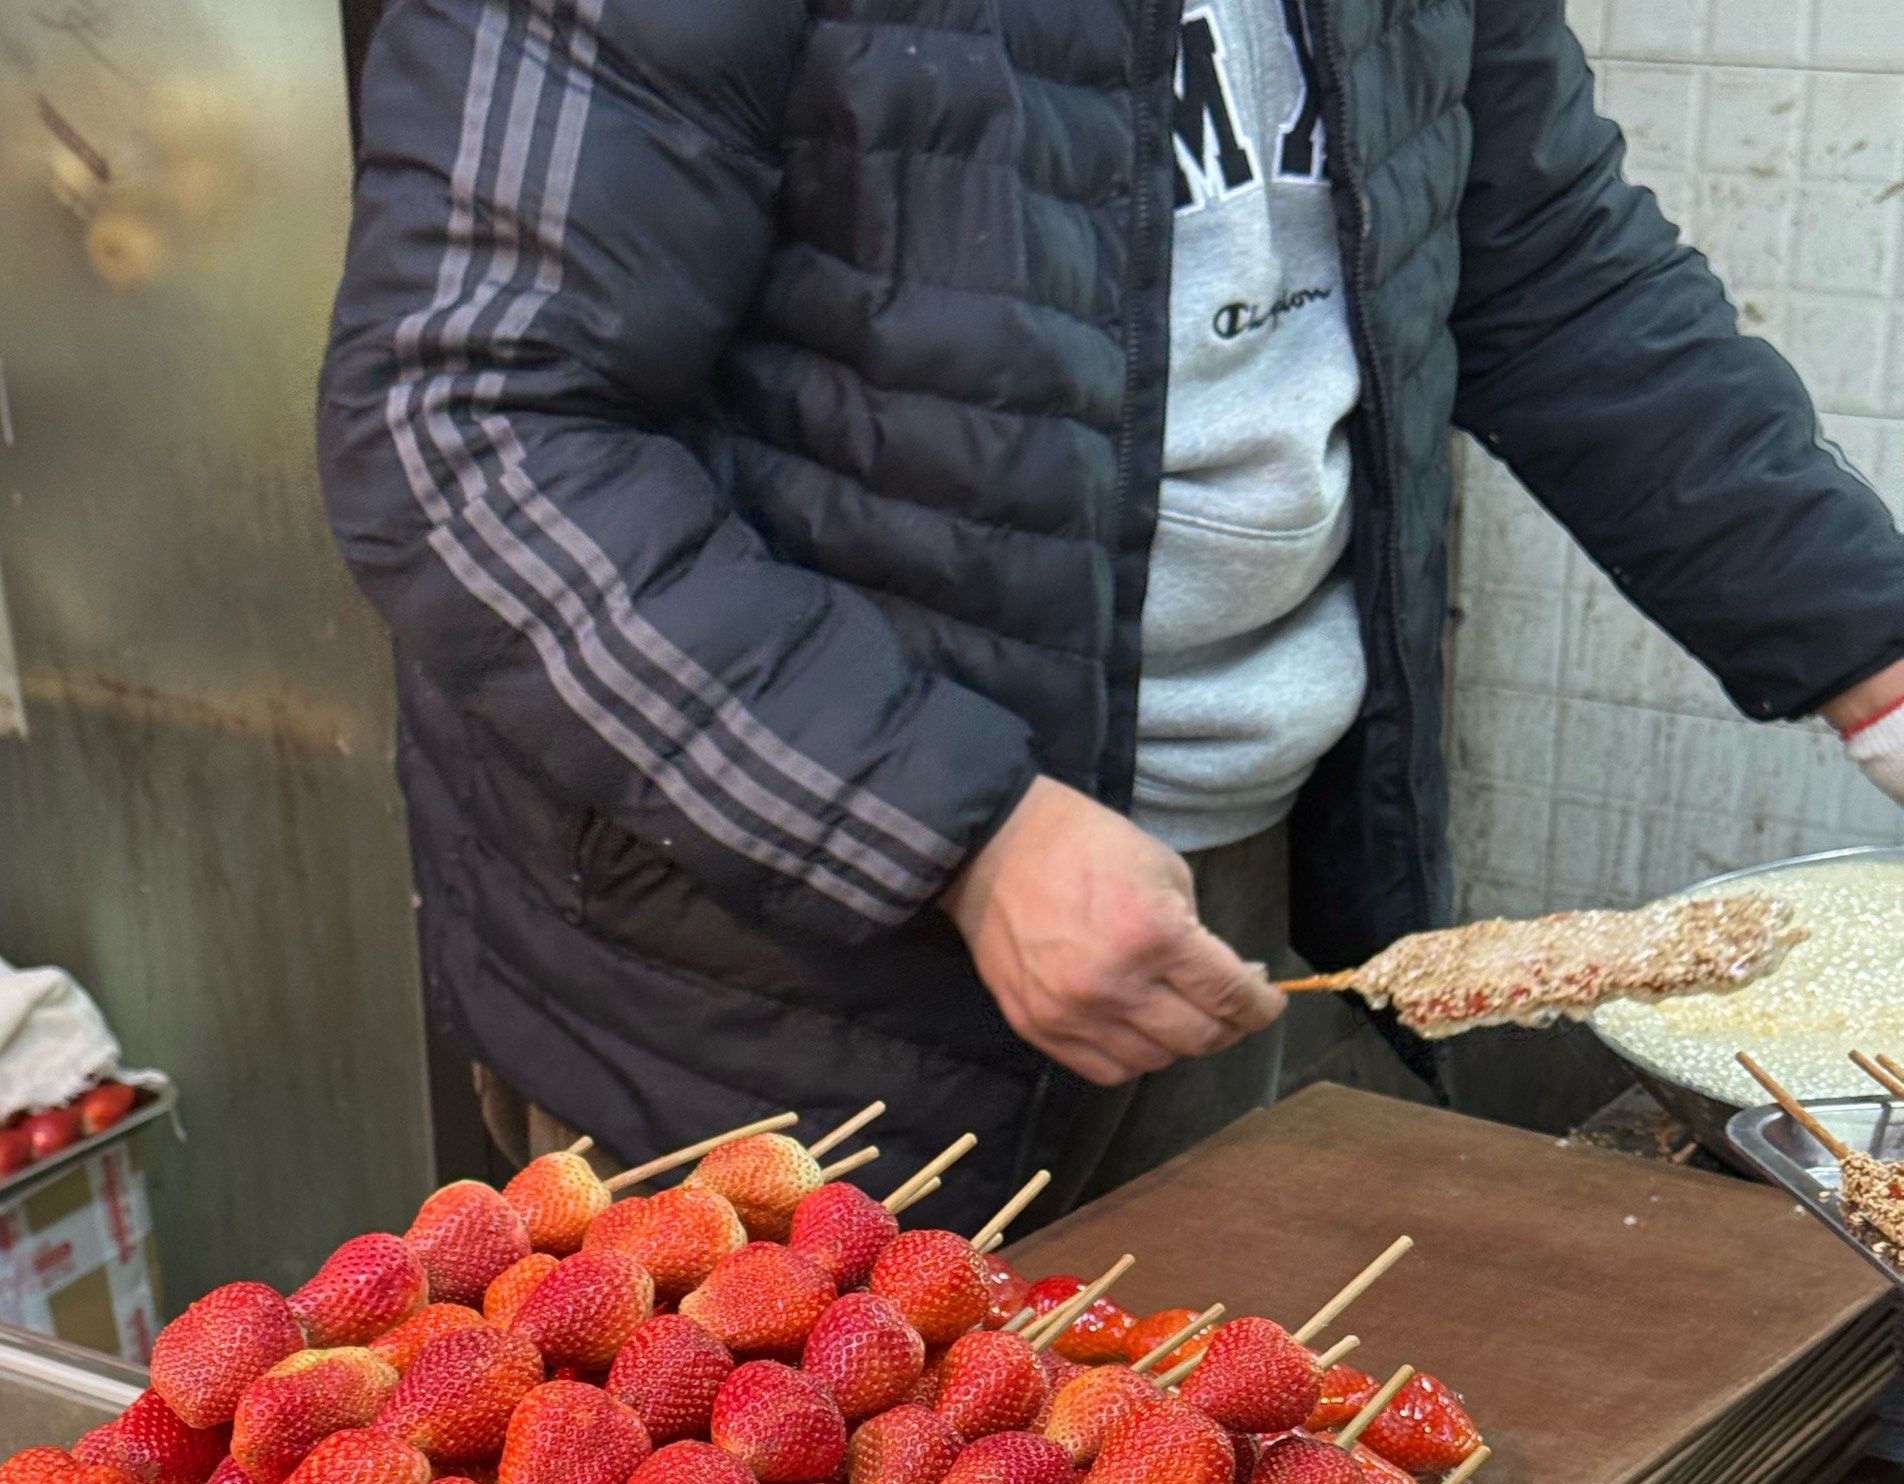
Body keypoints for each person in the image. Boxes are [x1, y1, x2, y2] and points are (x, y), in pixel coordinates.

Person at [320, 0, 1904, 1229]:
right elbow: (466, 425)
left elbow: (1546, 261)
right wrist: (960, 831)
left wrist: (1870, 642)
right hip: (760, 972)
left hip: (1219, 892)